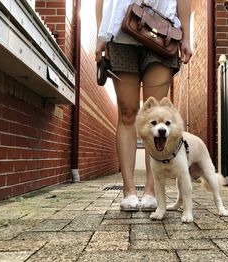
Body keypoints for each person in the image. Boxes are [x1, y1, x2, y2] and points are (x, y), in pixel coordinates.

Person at [95, 0, 192, 211]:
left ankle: (152, 190)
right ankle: (128, 190)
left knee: (155, 114)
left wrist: (186, 36)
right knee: (128, 113)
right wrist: (100, 35)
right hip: (120, 30)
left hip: (163, 28)